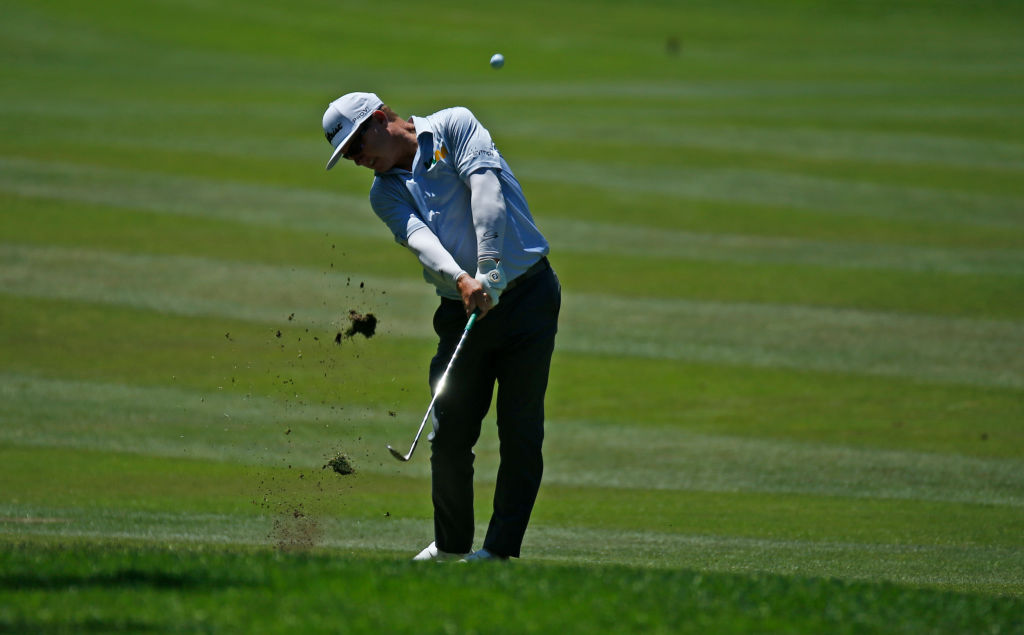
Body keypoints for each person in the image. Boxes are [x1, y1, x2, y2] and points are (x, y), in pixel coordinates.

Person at [322, 92, 560, 561]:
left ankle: (498, 553)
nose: (356, 158)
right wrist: (464, 280)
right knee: (449, 435)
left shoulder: (454, 125)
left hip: (529, 298)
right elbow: (420, 239)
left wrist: (489, 265)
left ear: (378, 119)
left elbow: (486, 190)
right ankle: (451, 549)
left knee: (520, 430)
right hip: (461, 309)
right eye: (347, 155)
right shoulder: (383, 191)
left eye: (354, 144)